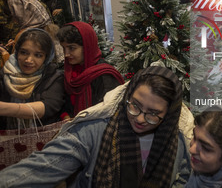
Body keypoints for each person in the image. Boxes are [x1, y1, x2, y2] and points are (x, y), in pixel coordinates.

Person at [0, 66, 192, 187]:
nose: (140, 119)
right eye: (135, 105)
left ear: (168, 114)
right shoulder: (93, 131)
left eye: (153, 114)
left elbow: (182, 180)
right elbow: (40, 169)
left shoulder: (178, 144)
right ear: (127, 97)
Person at [0, 28, 66, 129]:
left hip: (45, 141)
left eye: (38, 55)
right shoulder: (5, 73)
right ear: (17, 52)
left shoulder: (54, 77)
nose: (29, 60)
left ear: (46, 58)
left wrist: (4, 108)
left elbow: (48, 106)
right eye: (24, 52)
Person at [57, 21, 124, 117]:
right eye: (64, 49)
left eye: (72, 48)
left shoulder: (104, 75)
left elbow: (108, 111)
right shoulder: (70, 73)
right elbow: (65, 104)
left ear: (87, 46)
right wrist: (66, 116)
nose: (66, 54)